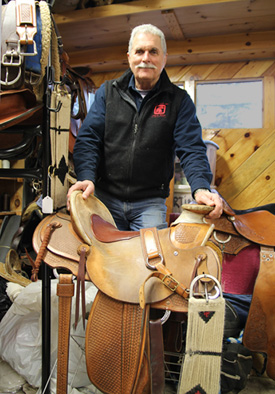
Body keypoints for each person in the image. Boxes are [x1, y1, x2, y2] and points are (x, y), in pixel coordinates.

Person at [67, 24, 223, 230]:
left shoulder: (179, 101)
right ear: (129, 56)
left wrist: (201, 187)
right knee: (100, 259)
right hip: (105, 199)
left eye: (153, 52)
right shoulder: (107, 93)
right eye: (140, 51)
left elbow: (191, 148)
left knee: (151, 261)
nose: (146, 58)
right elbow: (89, 140)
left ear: (164, 58)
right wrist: (86, 176)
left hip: (150, 204)